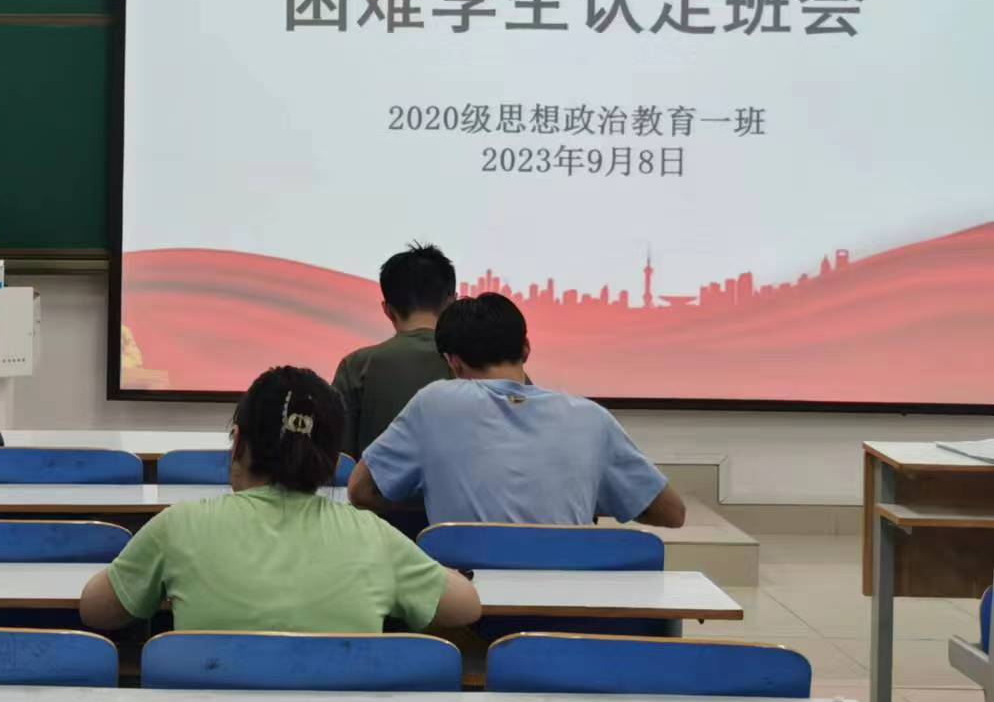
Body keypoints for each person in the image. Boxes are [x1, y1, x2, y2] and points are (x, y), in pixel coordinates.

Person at [79, 366, 481, 634]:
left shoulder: (178, 525)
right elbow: (466, 608)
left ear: (238, 442)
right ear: (332, 462)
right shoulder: (373, 536)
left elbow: (95, 610)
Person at [349, 293, 686, 528]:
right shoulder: (591, 418)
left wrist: (436, 492)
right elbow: (672, 513)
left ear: (453, 363)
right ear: (526, 348)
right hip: (562, 600)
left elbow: (361, 490)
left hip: (465, 601)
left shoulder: (433, 403)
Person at [332, 243, 457, 457]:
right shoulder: (474, 363)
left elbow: (339, 457)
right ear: (451, 302)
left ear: (388, 310)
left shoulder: (357, 366)